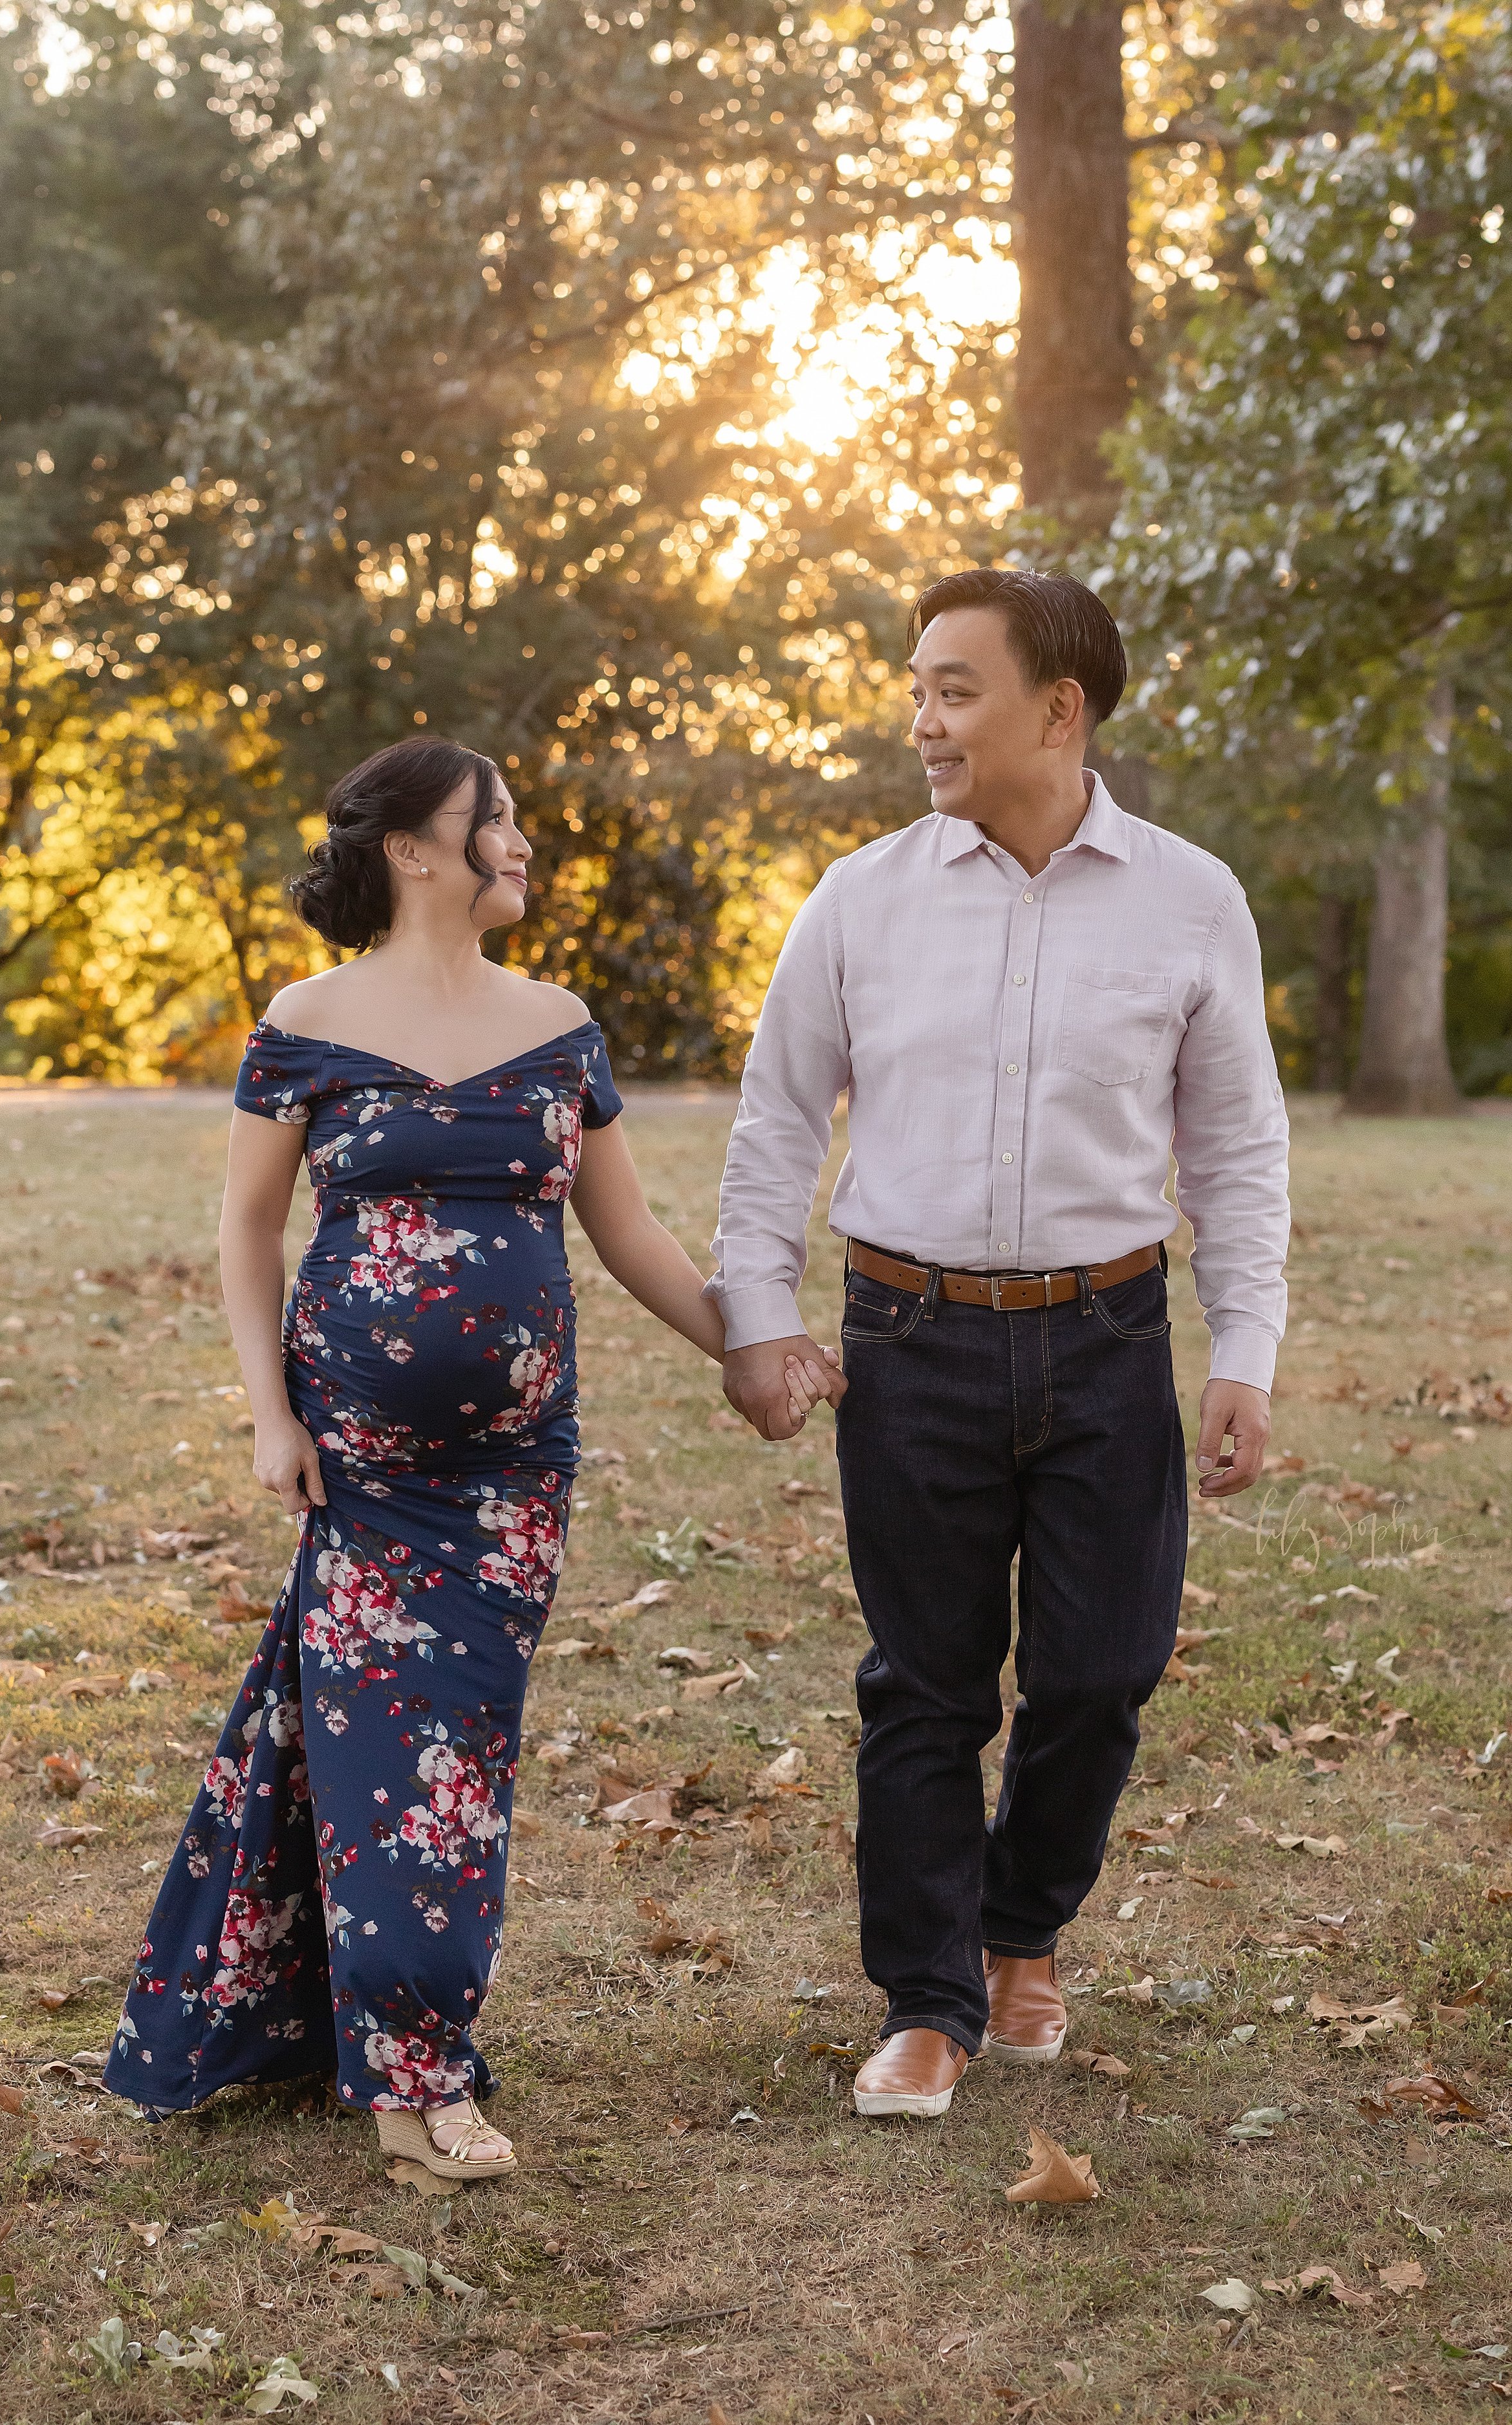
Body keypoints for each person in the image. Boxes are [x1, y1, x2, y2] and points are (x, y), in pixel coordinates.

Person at [102, 735, 837, 2179]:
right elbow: (249, 1232)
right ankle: (415, 2080)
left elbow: (623, 1234)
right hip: (365, 1471)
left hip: (510, 1484)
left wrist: (748, 1346)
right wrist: (270, 1413)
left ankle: (342, 2022)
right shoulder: (305, 1019)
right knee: (399, 1760)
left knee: (453, 1758)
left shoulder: (558, 1023)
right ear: (414, 852)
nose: (516, 841)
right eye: (490, 820)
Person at [708, 569, 1290, 2117]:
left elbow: (1234, 1145)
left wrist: (1245, 1347)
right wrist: (754, 1318)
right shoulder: (859, 898)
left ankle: (1021, 1919)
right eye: (916, 687)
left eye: (953, 689)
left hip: (1106, 1333)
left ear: (1059, 707)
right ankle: (926, 2000)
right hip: (907, 1335)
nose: (922, 720)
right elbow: (775, 1123)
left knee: (1100, 1673)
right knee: (924, 1683)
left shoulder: (1189, 900)